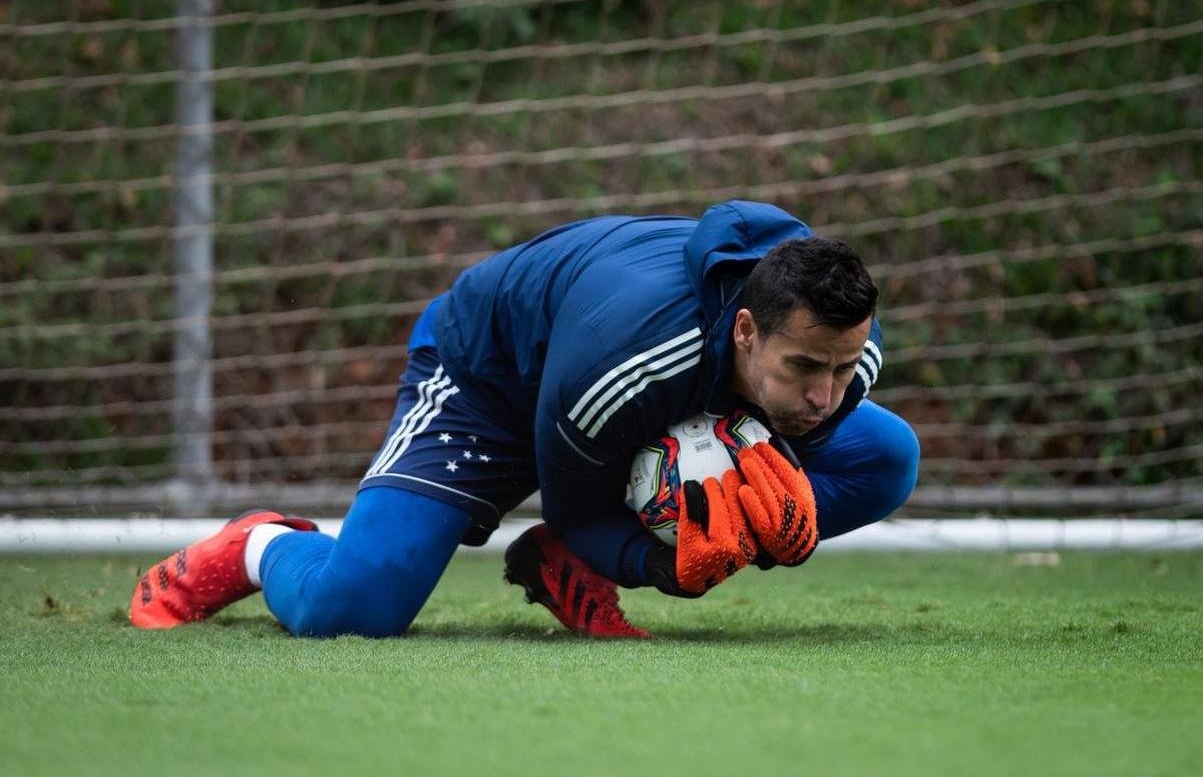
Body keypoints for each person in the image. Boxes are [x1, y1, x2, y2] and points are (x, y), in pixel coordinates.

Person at [130, 200, 920, 638]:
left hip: (635, 401)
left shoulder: (841, 345)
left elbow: (830, 407)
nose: (826, 395)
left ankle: (555, 564)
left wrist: (788, 523)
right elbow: (573, 500)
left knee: (884, 457)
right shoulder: (627, 364)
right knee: (354, 608)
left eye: (844, 367)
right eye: (803, 371)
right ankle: (257, 546)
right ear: (746, 333)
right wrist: (661, 567)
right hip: (491, 384)